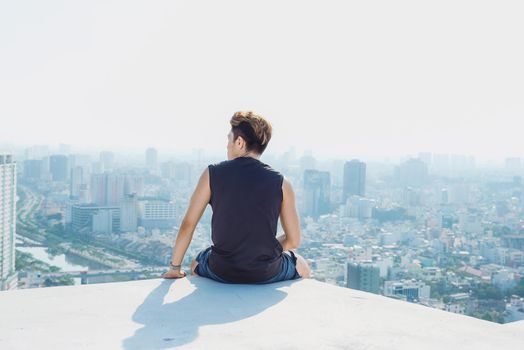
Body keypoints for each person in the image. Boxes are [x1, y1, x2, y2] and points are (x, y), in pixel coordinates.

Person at [162, 111, 311, 283]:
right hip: (266, 272)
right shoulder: (282, 183)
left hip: (222, 270)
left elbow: (188, 224)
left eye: (229, 139)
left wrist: (174, 268)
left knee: (197, 262)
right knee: (302, 265)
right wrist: (266, 250)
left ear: (239, 142)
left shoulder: (212, 173)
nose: (227, 145)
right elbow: (294, 240)